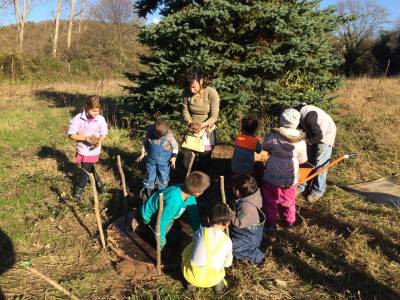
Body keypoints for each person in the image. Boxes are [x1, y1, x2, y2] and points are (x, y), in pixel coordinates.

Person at [262, 108, 307, 231]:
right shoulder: (301, 140)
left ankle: (271, 224)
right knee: (289, 201)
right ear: (297, 122)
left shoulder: (274, 135)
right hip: (290, 176)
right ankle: (289, 222)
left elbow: (264, 146)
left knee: (270, 200)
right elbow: (303, 159)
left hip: (273, 174)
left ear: (282, 119)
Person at [140, 171, 210, 249]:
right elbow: (160, 223)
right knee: (161, 238)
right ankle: (146, 230)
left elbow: (194, 216)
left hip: (166, 212)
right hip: (150, 215)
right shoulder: (174, 202)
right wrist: (162, 242)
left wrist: (200, 232)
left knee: (170, 227)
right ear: (197, 193)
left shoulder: (188, 194)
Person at [182, 203, 232, 292]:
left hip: (192, 276)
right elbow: (228, 263)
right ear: (227, 223)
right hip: (213, 279)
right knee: (218, 274)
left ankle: (190, 285)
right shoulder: (227, 241)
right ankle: (218, 288)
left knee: (191, 246)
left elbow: (194, 240)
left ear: (208, 219)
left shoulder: (201, 231)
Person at [68, 95, 108, 201]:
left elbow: (104, 133)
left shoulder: (100, 119)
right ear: (86, 107)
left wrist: (99, 140)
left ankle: (79, 188)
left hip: (93, 151)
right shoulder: (78, 118)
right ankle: (99, 185)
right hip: (82, 149)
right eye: (93, 111)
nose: (95, 113)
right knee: (88, 168)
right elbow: (71, 135)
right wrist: (85, 138)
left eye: (98, 111)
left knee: (86, 169)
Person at [295, 103, 337, 202]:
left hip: (326, 135)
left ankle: (317, 191)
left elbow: (319, 136)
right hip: (314, 134)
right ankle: (302, 186)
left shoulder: (309, 116)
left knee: (320, 164)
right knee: (307, 161)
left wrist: (305, 142)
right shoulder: (300, 115)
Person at [182, 70, 220, 174]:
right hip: (191, 128)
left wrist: (202, 125)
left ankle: (202, 182)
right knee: (187, 159)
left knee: (204, 158)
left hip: (207, 130)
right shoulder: (186, 92)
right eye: (189, 87)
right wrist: (190, 123)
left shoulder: (211, 93)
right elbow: (185, 111)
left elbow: (214, 116)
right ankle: (189, 180)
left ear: (201, 81)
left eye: (194, 87)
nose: (191, 90)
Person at [136, 119, 179, 199]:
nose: (159, 137)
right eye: (158, 136)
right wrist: (142, 154)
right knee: (149, 175)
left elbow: (175, 146)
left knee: (163, 176)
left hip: (164, 162)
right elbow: (144, 144)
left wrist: (174, 157)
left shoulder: (169, 136)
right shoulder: (149, 133)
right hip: (150, 161)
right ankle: (147, 192)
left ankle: (162, 193)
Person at [230, 174, 265, 264]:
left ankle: (257, 258)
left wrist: (230, 214)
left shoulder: (246, 207)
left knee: (234, 249)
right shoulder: (254, 194)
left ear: (237, 192)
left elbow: (239, 223)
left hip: (248, 236)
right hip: (251, 231)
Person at [229, 115, 262, 190]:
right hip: (247, 168)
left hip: (235, 167)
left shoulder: (238, 138)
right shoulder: (255, 141)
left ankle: (232, 189)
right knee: (246, 181)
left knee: (234, 180)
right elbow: (259, 151)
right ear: (255, 129)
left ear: (242, 127)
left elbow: (234, 142)